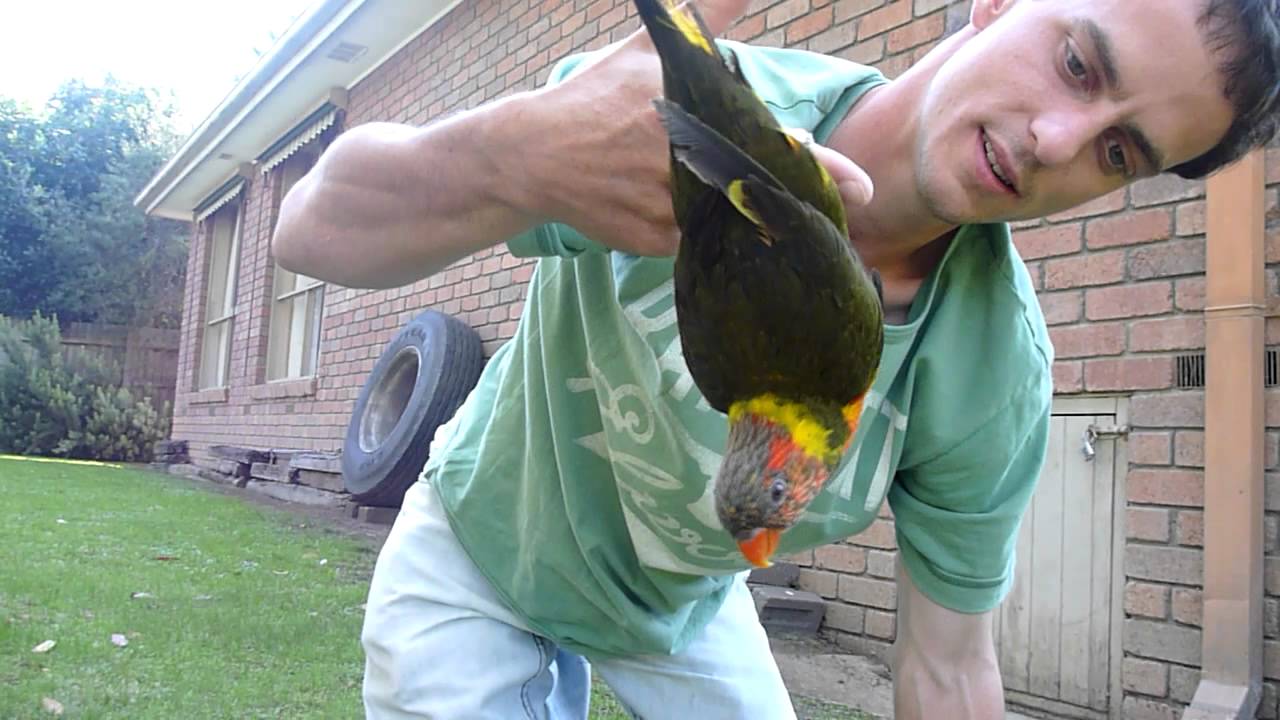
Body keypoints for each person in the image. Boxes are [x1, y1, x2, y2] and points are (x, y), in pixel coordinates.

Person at [272, 0, 1280, 716]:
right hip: (483, 543)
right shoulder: (652, 128)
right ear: (997, 2)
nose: (1060, 140)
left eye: (1118, 153)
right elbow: (307, 233)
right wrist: (519, 153)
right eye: (1075, 63)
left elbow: (948, 662)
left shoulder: (989, 369)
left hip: (677, 607)